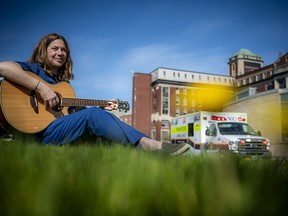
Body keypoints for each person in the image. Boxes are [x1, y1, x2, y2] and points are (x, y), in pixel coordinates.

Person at [0, 33, 190, 156]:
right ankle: (152, 146)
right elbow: (3, 67)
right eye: (55, 49)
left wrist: (101, 105)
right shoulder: (32, 69)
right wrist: (42, 88)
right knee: (92, 116)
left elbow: (75, 115)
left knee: (94, 119)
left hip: (55, 131)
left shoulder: (64, 86)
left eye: (64, 50)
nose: (60, 53)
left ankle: (139, 155)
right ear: (44, 51)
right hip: (35, 135)